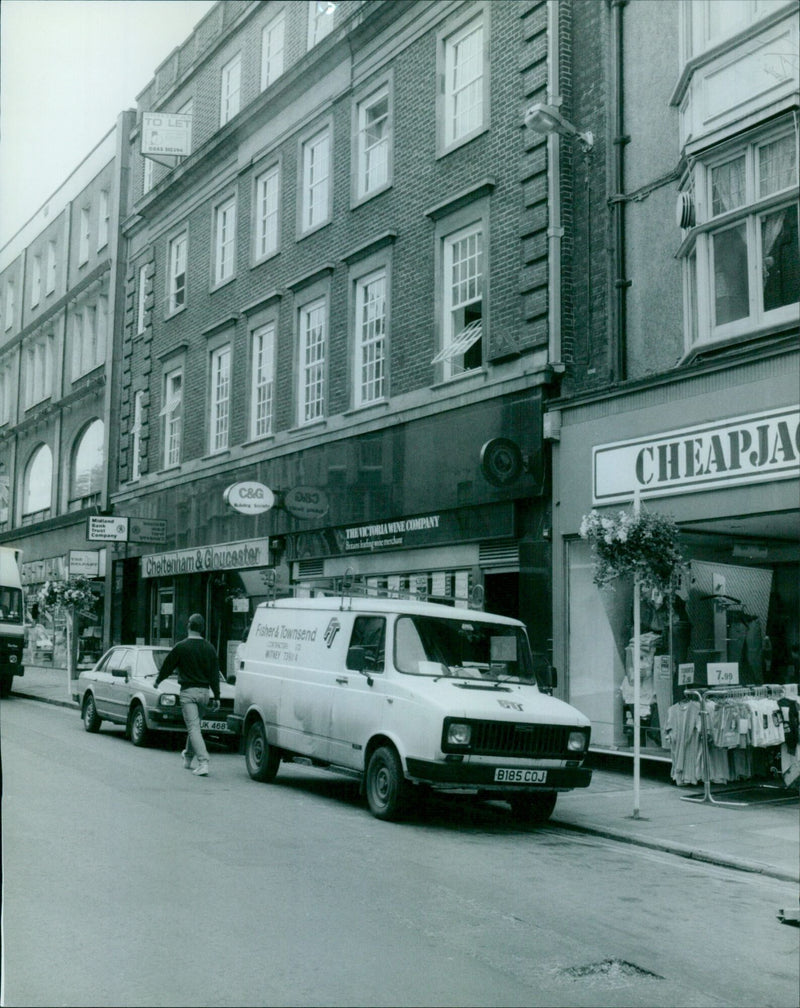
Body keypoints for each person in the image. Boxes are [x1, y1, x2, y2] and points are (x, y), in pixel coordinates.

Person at [155, 613, 221, 777]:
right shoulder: (210, 648)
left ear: (188, 626)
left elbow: (167, 666)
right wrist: (217, 696)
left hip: (188, 693)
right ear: (202, 629)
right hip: (205, 693)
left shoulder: (181, 646)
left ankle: (203, 761)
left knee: (193, 728)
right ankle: (188, 757)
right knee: (195, 727)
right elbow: (214, 674)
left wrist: (158, 681)